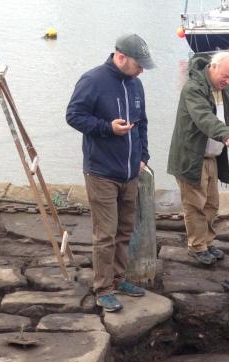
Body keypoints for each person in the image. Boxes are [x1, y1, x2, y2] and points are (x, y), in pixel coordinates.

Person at [66, 33, 155, 313]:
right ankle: (103, 288)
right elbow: (73, 115)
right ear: (120, 57)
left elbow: (142, 123)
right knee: (105, 233)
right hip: (101, 171)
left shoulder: (136, 85)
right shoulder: (92, 80)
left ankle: (119, 278)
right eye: (138, 64)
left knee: (125, 229)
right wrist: (108, 128)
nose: (141, 70)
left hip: (129, 171)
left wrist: (143, 156)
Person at [167, 50, 229, 267]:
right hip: (192, 156)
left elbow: (219, 117)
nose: (227, 81)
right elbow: (203, 117)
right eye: (225, 76)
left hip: (212, 156)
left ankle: (207, 242)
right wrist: (225, 134)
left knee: (211, 203)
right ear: (213, 67)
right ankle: (197, 246)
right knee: (194, 204)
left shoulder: (222, 90)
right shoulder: (193, 88)